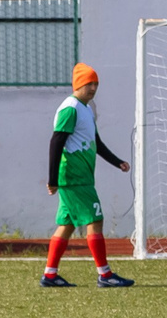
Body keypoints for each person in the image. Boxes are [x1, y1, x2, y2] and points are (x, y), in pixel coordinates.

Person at [44, 64, 132, 288]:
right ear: (78, 84)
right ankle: (105, 274)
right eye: (89, 84)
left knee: (67, 225)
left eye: (96, 84)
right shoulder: (70, 108)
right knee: (95, 220)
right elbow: (56, 142)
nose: (93, 88)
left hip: (80, 177)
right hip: (74, 178)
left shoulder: (85, 108)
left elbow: (96, 143)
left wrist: (116, 162)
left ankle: (50, 275)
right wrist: (52, 179)